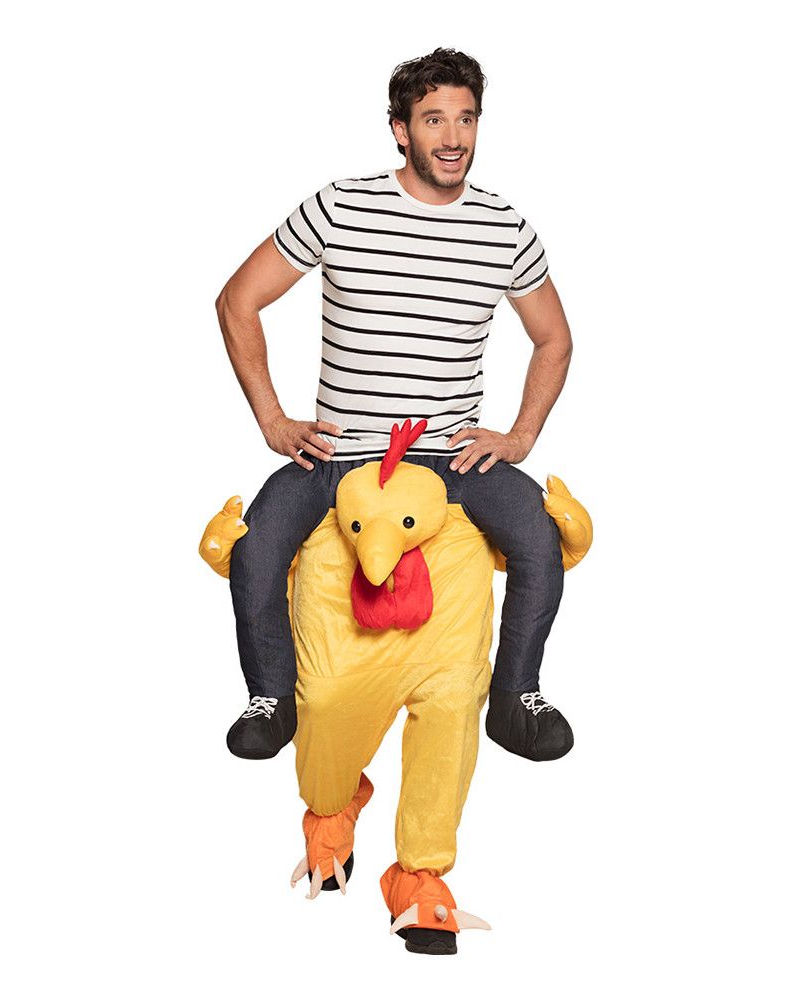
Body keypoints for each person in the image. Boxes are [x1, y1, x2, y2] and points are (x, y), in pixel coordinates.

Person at [214, 47, 575, 763]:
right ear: (400, 130)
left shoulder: (504, 228)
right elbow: (237, 301)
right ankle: (271, 698)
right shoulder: (340, 206)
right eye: (433, 119)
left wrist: (520, 436)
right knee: (258, 544)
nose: (453, 136)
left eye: (466, 118)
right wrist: (274, 421)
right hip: (339, 453)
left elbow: (554, 339)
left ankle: (515, 697)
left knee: (539, 537)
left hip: (448, 455)